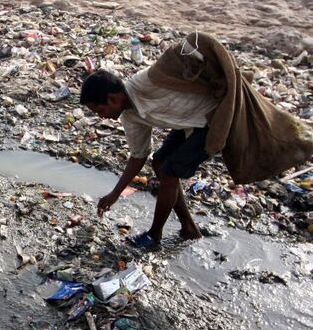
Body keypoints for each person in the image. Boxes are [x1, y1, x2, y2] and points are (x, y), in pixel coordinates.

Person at [79, 67, 220, 250]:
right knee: (160, 162)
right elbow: (138, 156)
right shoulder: (129, 117)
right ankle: (189, 228)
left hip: (212, 119)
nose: (101, 116)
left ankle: (154, 235)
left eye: (99, 110)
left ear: (113, 98)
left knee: (169, 171)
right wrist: (115, 194)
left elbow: (181, 70)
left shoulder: (147, 82)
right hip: (187, 123)